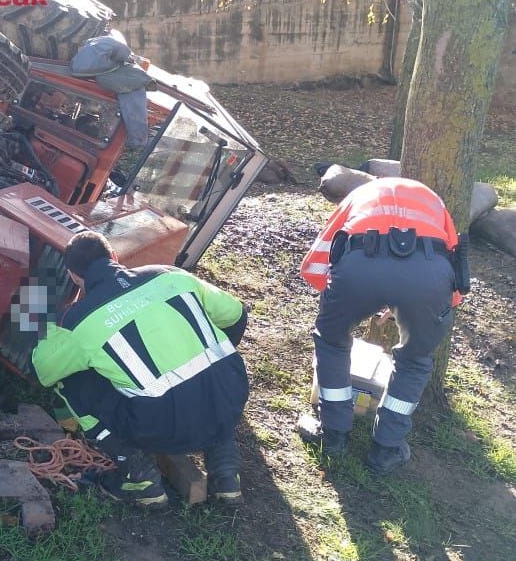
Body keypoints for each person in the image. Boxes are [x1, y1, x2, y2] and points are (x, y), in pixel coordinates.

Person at [31, 231, 250, 508]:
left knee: (71, 381)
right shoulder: (171, 276)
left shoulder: (80, 321)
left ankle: (139, 476)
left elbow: (44, 371)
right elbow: (236, 314)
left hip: (162, 427)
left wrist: (41, 324)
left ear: (74, 277)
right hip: (230, 400)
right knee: (209, 378)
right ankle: (226, 474)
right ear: (114, 256)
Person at [298, 177, 466, 475]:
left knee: (332, 342)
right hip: (429, 276)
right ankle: (386, 450)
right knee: (414, 360)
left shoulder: (359, 196)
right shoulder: (434, 201)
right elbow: (455, 267)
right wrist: (413, 304)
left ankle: (333, 435)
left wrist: (348, 300)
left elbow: (316, 263)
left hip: (359, 265)